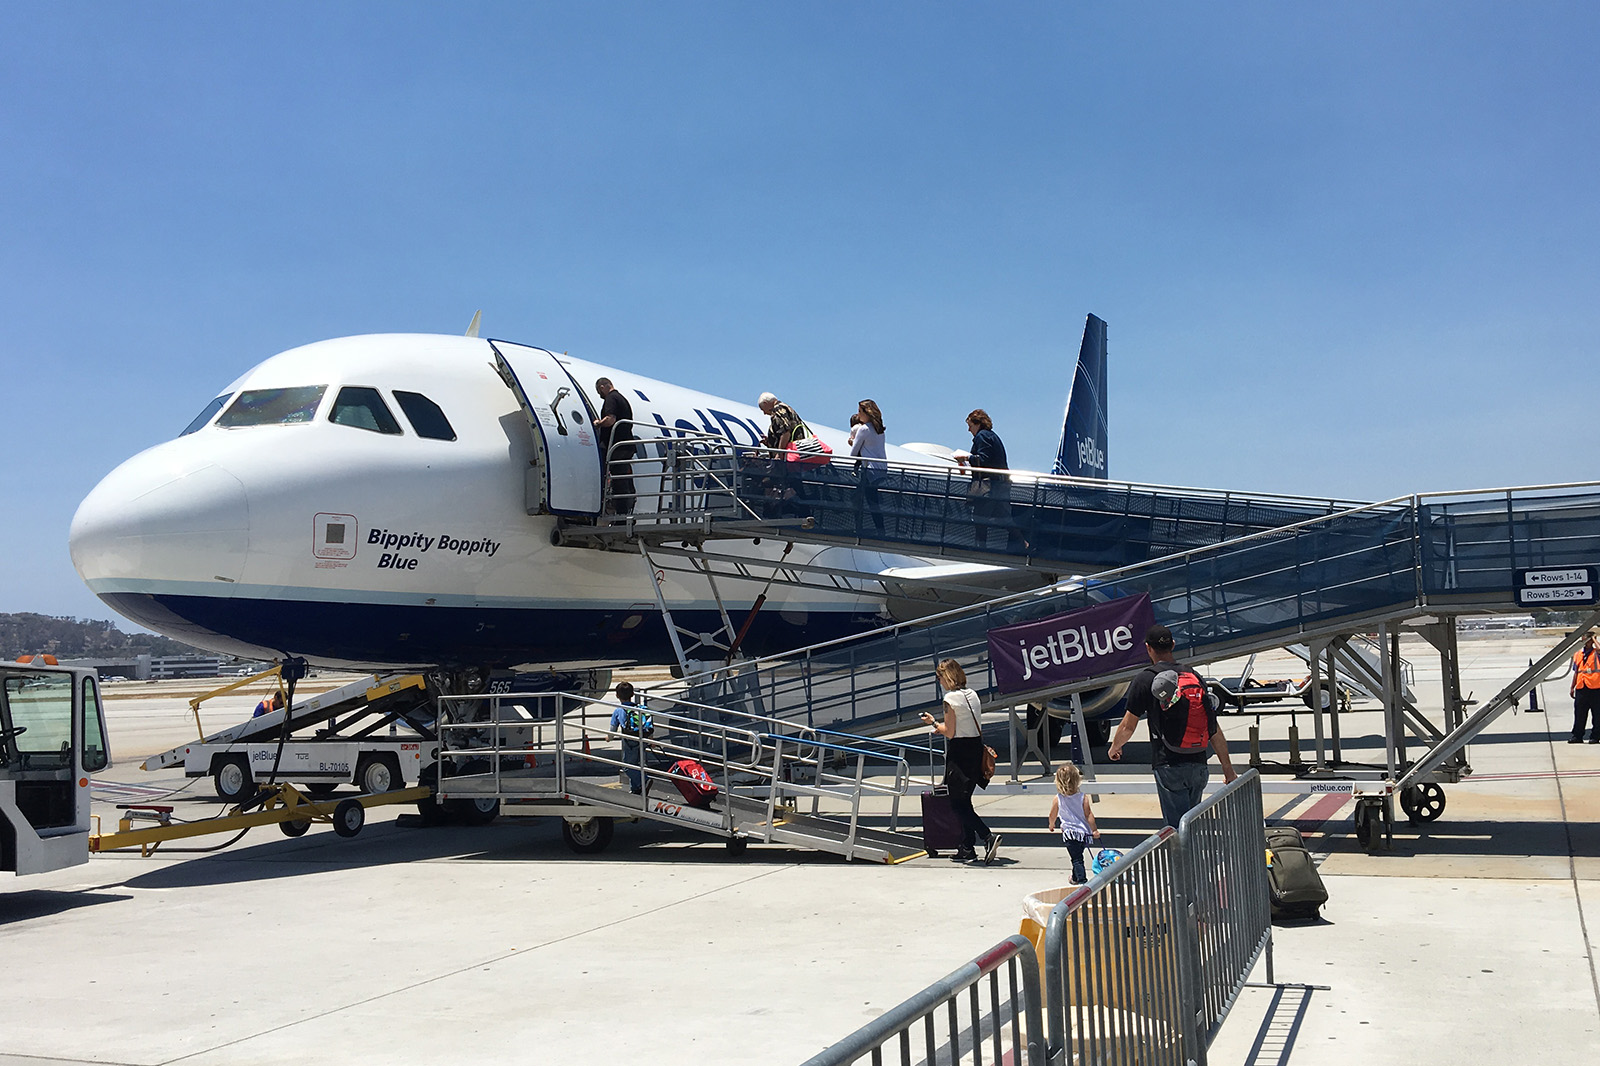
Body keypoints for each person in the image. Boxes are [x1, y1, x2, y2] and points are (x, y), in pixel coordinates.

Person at [1108, 623, 1238, 828]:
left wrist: (1115, 747)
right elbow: (1213, 727)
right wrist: (1227, 768)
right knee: (1192, 824)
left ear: (1148, 648)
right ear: (1173, 645)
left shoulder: (1145, 679)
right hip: (1198, 763)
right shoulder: (1194, 676)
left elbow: (1127, 726)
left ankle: (1186, 860)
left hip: (1169, 764)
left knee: (1177, 829)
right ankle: (1194, 858)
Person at [920, 658, 1000, 865]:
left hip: (960, 752)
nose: (939, 682)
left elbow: (950, 732)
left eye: (939, 678)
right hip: (975, 749)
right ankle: (967, 846)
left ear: (946, 677)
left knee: (957, 803)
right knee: (965, 799)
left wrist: (934, 723)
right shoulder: (972, 695)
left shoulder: (950, 699)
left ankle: (987, 836)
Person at [955, 408, 1014, 549]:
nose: (969, 430)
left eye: (970, 426)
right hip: (1001, 483)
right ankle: (1024, 543)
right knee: (1004, 518)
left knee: (980, 518)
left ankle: (980, 547)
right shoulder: (991, 436)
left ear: (978, 424)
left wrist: (967, 458)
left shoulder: (982, 436)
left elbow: (984, 459)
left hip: (990, 485)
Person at [1047, 762, 1099, 884]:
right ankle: (1075, 878)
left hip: (1070, 834)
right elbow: (1088, 814)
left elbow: (1052, 814)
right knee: (1078, 856)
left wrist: (1051, 824)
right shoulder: (1082, 797)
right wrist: (1094, 830)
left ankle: (1081, 879)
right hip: (1083, 833)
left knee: (1076, 859)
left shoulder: (1058, 798)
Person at [593, 378, 637, 515]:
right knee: (625, 478)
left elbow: (610, 419)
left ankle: (621, 514)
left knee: (619, 481)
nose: (601, 396)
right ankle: (629, 508)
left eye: (600, 392)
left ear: (602, 387)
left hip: (617, 446)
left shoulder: (611, 399)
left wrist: (598, 424)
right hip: (627, 444)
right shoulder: (622, 399)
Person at [850, 399, 887, 535]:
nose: (858, 415)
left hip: (869, 470)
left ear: (867, 413)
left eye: (860, 412)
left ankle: (863, 528)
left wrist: (852, 442)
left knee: (860, 500)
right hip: (881, 468)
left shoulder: (864, 429)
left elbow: (854, 453)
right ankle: (879, 528)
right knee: (872, 500)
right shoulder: (879, 430)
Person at [608, 681, 652, 793]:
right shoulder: (641, 708)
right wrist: (651, 740)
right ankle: (636, 788)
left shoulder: (618, 711)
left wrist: (609, 738)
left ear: (617, 695)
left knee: (627, 766)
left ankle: (643, 781)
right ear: (632, 694)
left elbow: (613, 729)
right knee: (638, 764)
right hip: (642, 739)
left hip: (629, 741)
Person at [1570, 633, 1600, 744]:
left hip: (1595, 687)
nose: (1586, 642)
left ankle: (1595, 736)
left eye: (1588, 640)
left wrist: (1593, 639)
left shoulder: (1596, 653)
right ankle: (1577, 736)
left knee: (1597, 715)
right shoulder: (1578, 654)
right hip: (1581, 687)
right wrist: (1572, 686)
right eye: (1584, 640)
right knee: (1579, 714)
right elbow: (1576, 672)